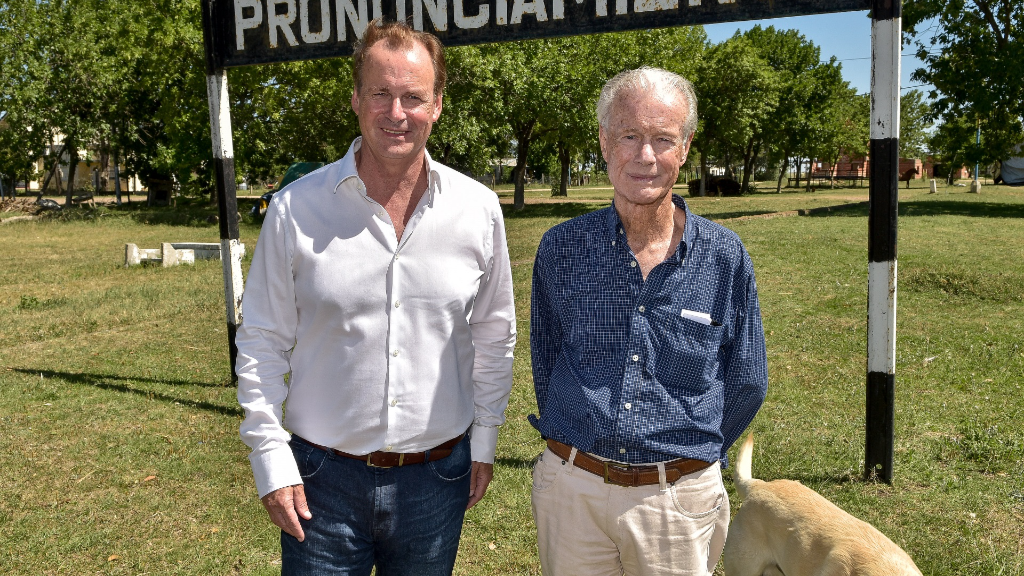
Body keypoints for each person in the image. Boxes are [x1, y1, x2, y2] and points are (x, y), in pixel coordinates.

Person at [235, 20, 516, 576]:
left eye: (413, 96)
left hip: (437, 478)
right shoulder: (295, 211)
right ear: (356, 99)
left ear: (437, 104)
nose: (396, 112)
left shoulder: (479, 210)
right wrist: (270, 459)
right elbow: (262, 340)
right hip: (321, 480)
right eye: (381, 94)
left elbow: (494, 333)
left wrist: (483, 441)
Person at [528, 67, 768, 576]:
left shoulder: (724, 257)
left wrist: (687, 457)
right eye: (630, 136)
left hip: (677, 503)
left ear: (685, 148)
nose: (645, 156)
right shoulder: (562, 249)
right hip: (572, 496)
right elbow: (546, 360)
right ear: (604, 141)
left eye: (663, 139)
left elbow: (747, 379)